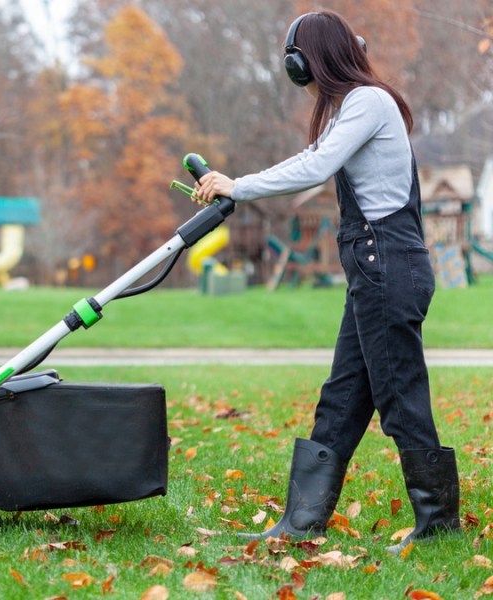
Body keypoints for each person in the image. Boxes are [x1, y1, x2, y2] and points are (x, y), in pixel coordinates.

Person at [194, 11, 460, 554]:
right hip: (375, 269)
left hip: (388, 266)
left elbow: (315, 166)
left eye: (297, 65)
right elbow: (319, 159)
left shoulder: (368, 102)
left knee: (400, 395)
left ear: (308, 62)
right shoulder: (353, 106)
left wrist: (237, 185)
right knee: (342, 397)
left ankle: (438, 524)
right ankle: (302, 520)